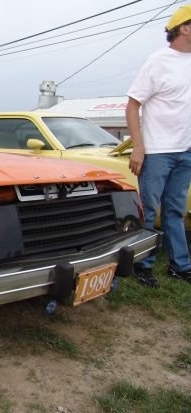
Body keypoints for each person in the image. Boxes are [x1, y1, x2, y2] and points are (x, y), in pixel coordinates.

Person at [125, 4, 191, 287]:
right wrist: (138, 147)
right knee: (149, 211)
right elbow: (132, 105)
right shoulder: (158, 61)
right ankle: (143, 265)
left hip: (186, 152)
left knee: (175, 211)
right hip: (157, 152)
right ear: (185, 28)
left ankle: (180, 266)